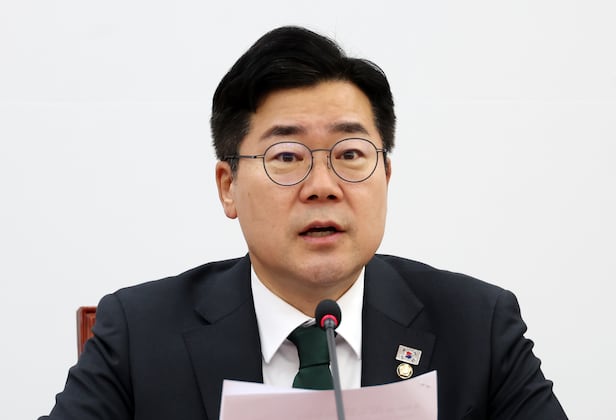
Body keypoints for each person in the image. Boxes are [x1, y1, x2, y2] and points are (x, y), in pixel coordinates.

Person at [40, 26, 567, 420]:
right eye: (287, 157)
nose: (322, 186)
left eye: (351, 154)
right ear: (228, 186)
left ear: (386, 174)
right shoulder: (139, 334)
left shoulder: (476, 327)